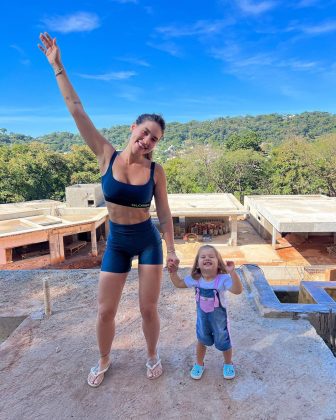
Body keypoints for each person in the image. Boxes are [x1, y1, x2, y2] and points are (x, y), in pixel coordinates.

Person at [38, 32, 179, 387]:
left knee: (149, 308)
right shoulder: (106, 154)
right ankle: (103, 358)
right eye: (145, 132)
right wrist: (58, 66)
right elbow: (76, 109)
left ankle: (151, 354)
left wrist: (173, 250)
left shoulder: (155, 171)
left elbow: (163, 215)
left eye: (155, 139)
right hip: (116, 242)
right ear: (133, 128)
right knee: (105, 311)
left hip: (147, 241)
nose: (147, 141)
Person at [168, 245, 243, 380]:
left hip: (220, 321)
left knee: (224, 340)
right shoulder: (196, 279)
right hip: (203, 320)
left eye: (211, 256)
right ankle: (199, 364)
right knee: (201, 340)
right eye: (203, 257)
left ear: (218, 262)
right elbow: (178, 283)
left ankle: (228, 363)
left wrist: (232, 272)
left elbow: (238, 290)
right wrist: (173, 272)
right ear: (197, 263)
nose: (207, 258)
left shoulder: (223, 279)